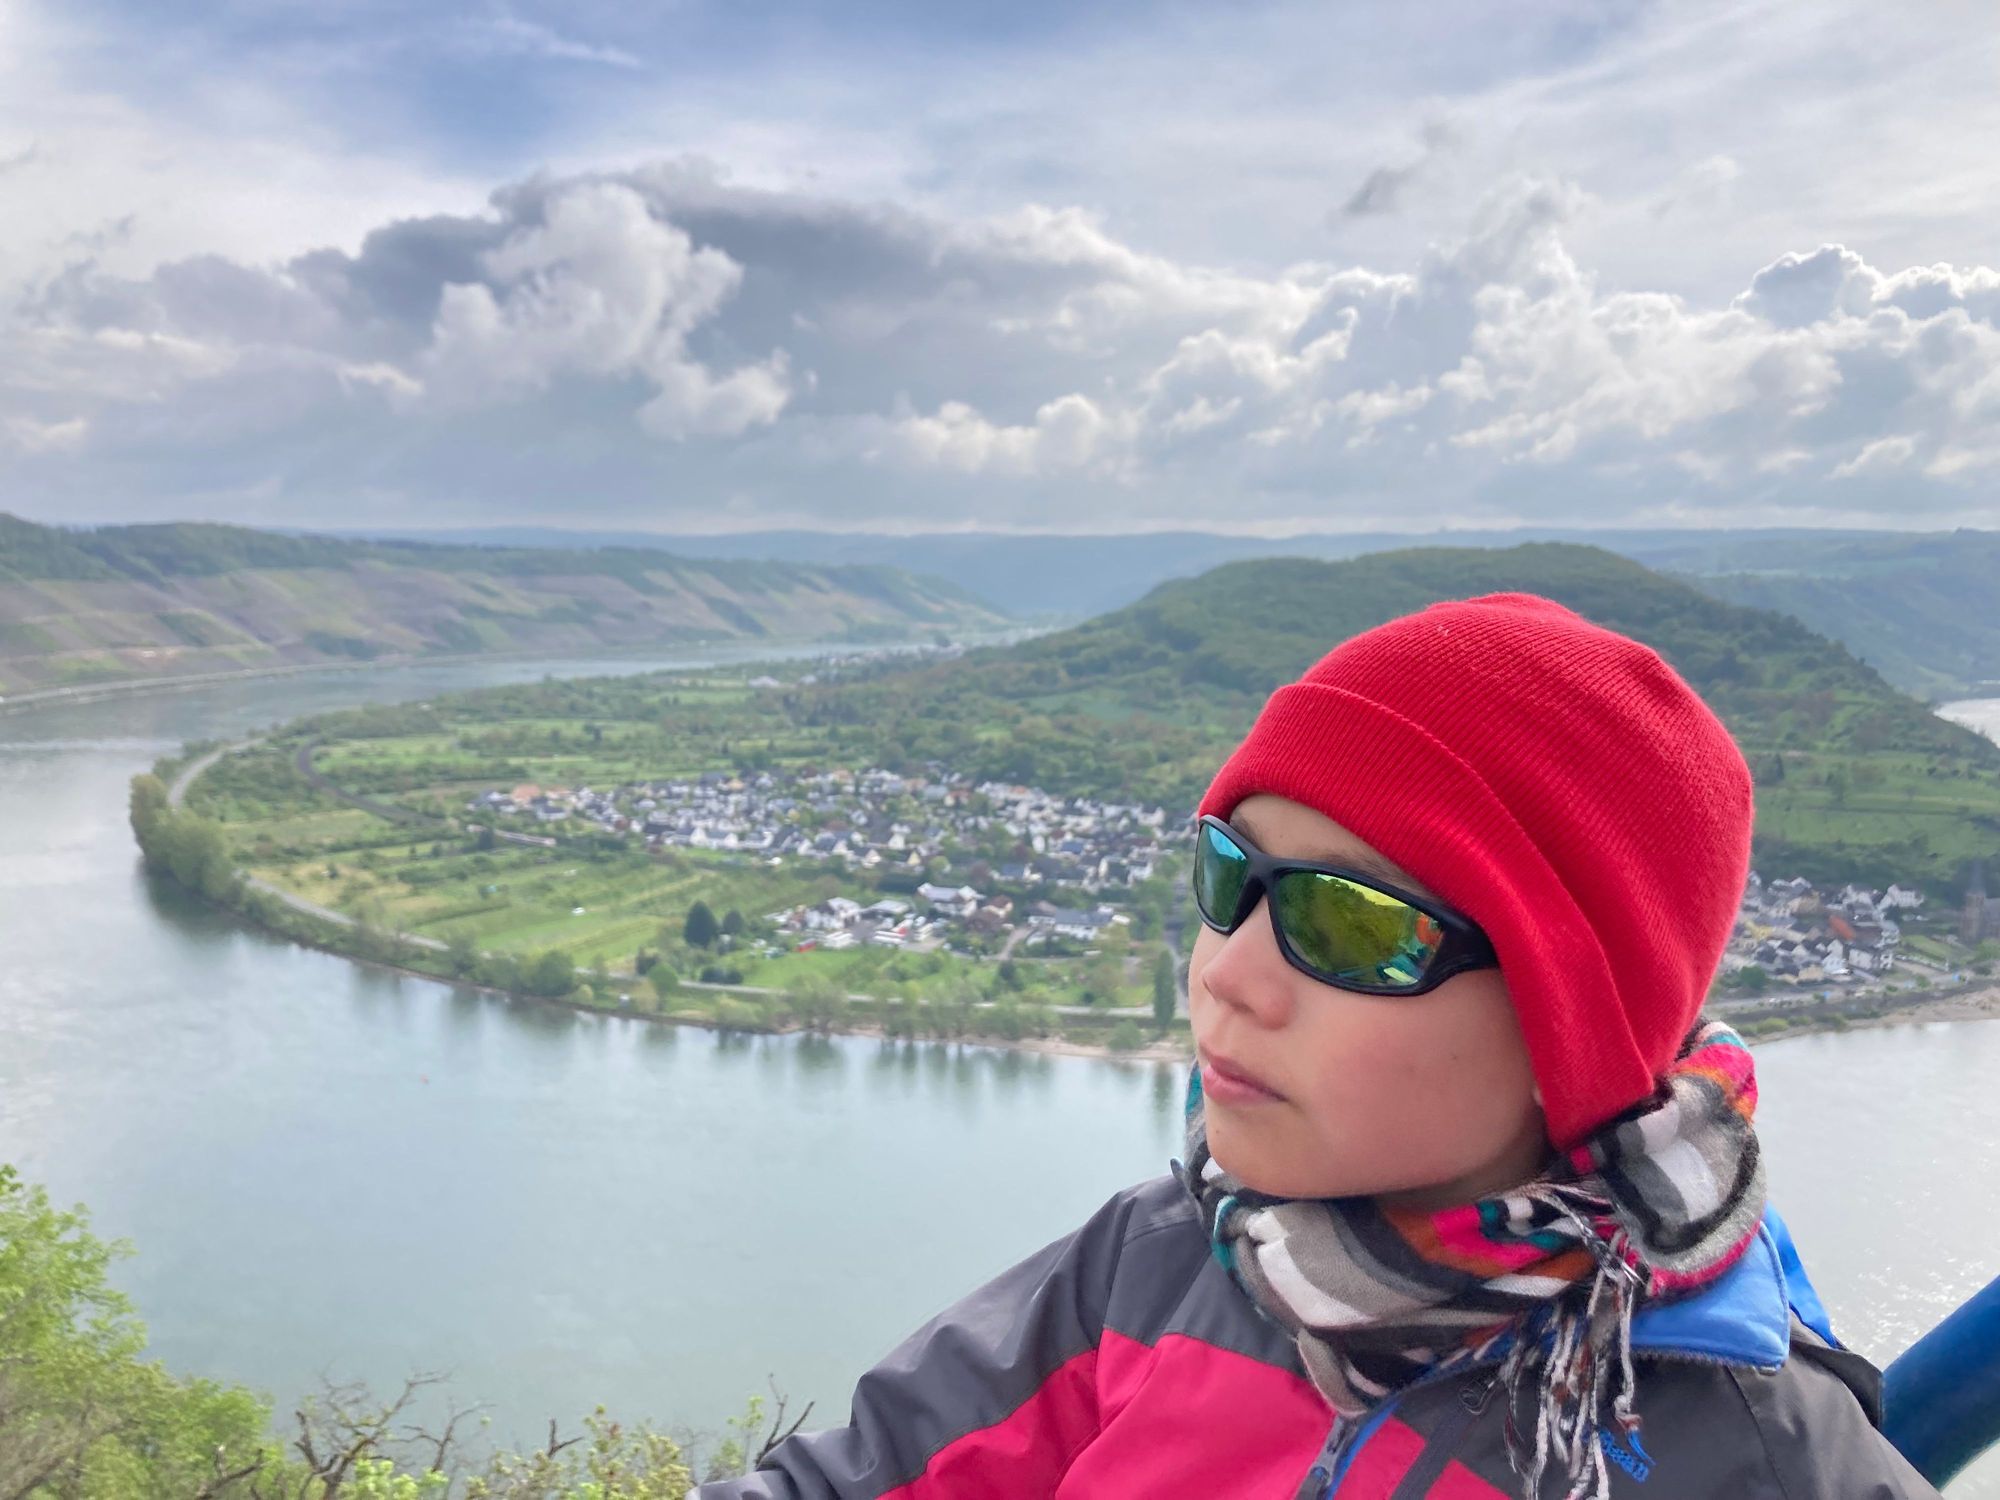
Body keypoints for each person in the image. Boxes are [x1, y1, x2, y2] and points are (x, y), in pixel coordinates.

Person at [696, 593, 1939, 1498]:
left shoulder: (1752, 1456)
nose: (1224, 974)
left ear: (1570, 1024)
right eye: (1226, 874)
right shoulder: (1166, 1261)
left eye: (1349, 925)